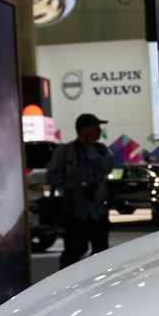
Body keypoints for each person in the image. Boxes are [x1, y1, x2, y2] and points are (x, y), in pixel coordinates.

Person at [46, 113, 113, 267]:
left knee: (102, 255)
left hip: (99, 212)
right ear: (84, 129)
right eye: (96, 127)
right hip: (75, 213)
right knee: (72, 254)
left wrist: (91, 151)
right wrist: (71, 185)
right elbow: (51, 175)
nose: (99, 130)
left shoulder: (100, 149)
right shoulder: (65, 151)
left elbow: (108, 167)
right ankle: (66, 286)